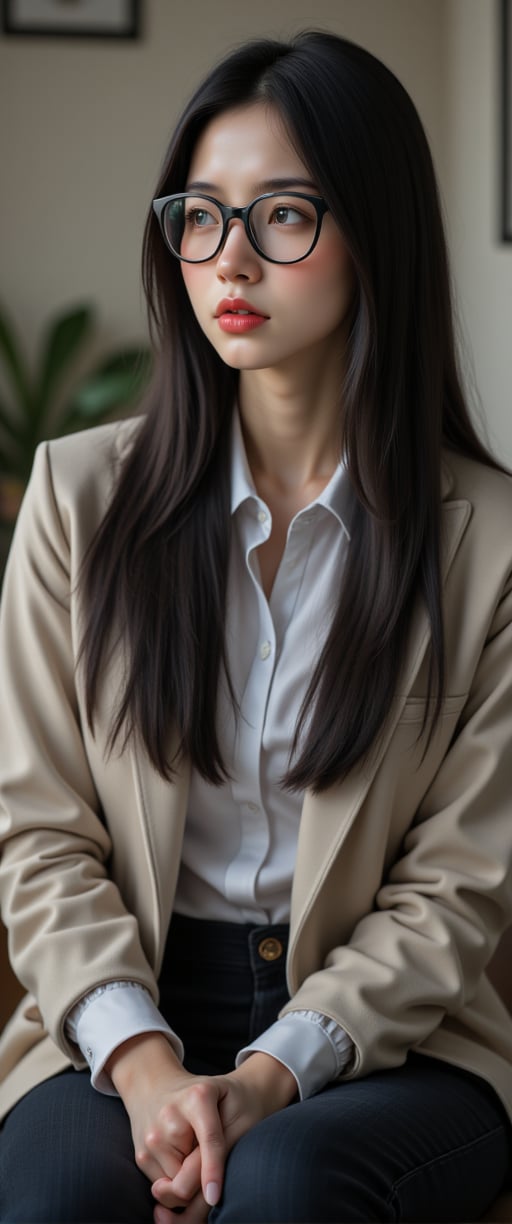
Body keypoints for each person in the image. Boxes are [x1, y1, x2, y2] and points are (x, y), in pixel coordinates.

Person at [0, 27, 512, 1224]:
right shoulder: (78, 500)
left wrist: (269, 1077)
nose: (229, 258)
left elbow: (455, 888)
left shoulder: (484, 540)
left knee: (282, 1186)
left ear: (373, 232)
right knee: (60, 1194)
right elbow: (37, 835)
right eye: (199, 214)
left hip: (396, 1037)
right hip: (123, 1011)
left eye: (282, 214)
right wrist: (146, 1068)